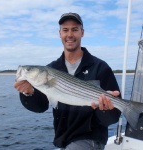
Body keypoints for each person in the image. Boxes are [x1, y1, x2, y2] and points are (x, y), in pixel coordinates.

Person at [14, 12, 121, 150]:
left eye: (74, 29)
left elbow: (112, 118)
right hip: (63, 140)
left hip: (90, 139)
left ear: (82, 33)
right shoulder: (52, 68)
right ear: (60, 34)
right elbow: (40, 107)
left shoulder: (100, 68)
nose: (69, 34)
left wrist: (106, 109)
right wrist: (28, 93)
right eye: (65, 30)